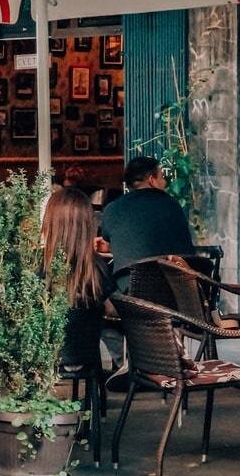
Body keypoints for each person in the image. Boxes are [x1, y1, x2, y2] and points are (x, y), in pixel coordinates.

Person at [42, 188, 116, 370]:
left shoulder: (38, 267)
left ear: (49, 224)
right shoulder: (96, 267)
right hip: (86, 355)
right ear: (87, 225)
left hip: (44, 358)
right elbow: (112, 310)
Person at [99, 156, 194, 290]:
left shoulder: (112, 209)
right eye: (162, 178)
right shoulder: (172, 204)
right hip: (176, 291)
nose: (164, 183)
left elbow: (109, 243)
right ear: (152, 181)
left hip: (130, 295)